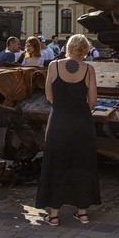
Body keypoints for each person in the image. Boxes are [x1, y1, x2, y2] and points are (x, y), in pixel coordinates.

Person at [35, 34, 101, 226]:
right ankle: (82, 213)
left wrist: (63, 107)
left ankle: (54, 215)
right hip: (82, 123)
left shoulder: (54, 66)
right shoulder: (89, 69)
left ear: (69, 47)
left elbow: (49, 96)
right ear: (86, 49)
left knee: (56, 164)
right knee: (82, 164)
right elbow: (93, 102)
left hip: (59, 122)